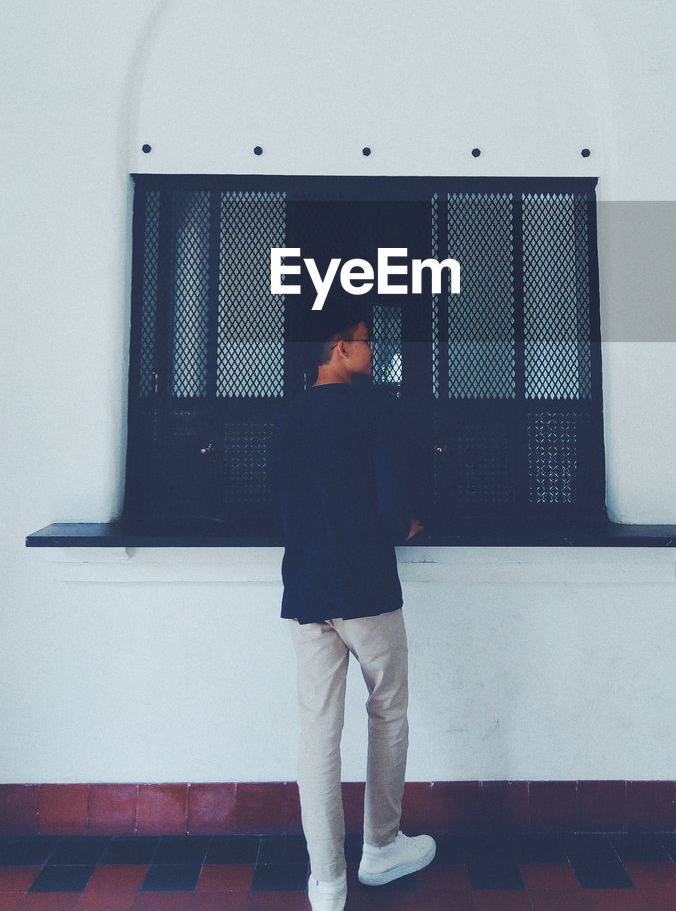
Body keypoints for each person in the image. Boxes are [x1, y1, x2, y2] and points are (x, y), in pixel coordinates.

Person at [268, 308, 436, 911]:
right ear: (339, 348)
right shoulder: (371, 410)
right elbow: (390, 501)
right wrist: (406, 524)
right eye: (367, 342)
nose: (373, 350)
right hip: (365, 587)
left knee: (318, 732)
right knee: (387, 712)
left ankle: (328, 881)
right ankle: (382, 848)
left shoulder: (286, 419)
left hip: (307, 591)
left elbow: (280, 504)